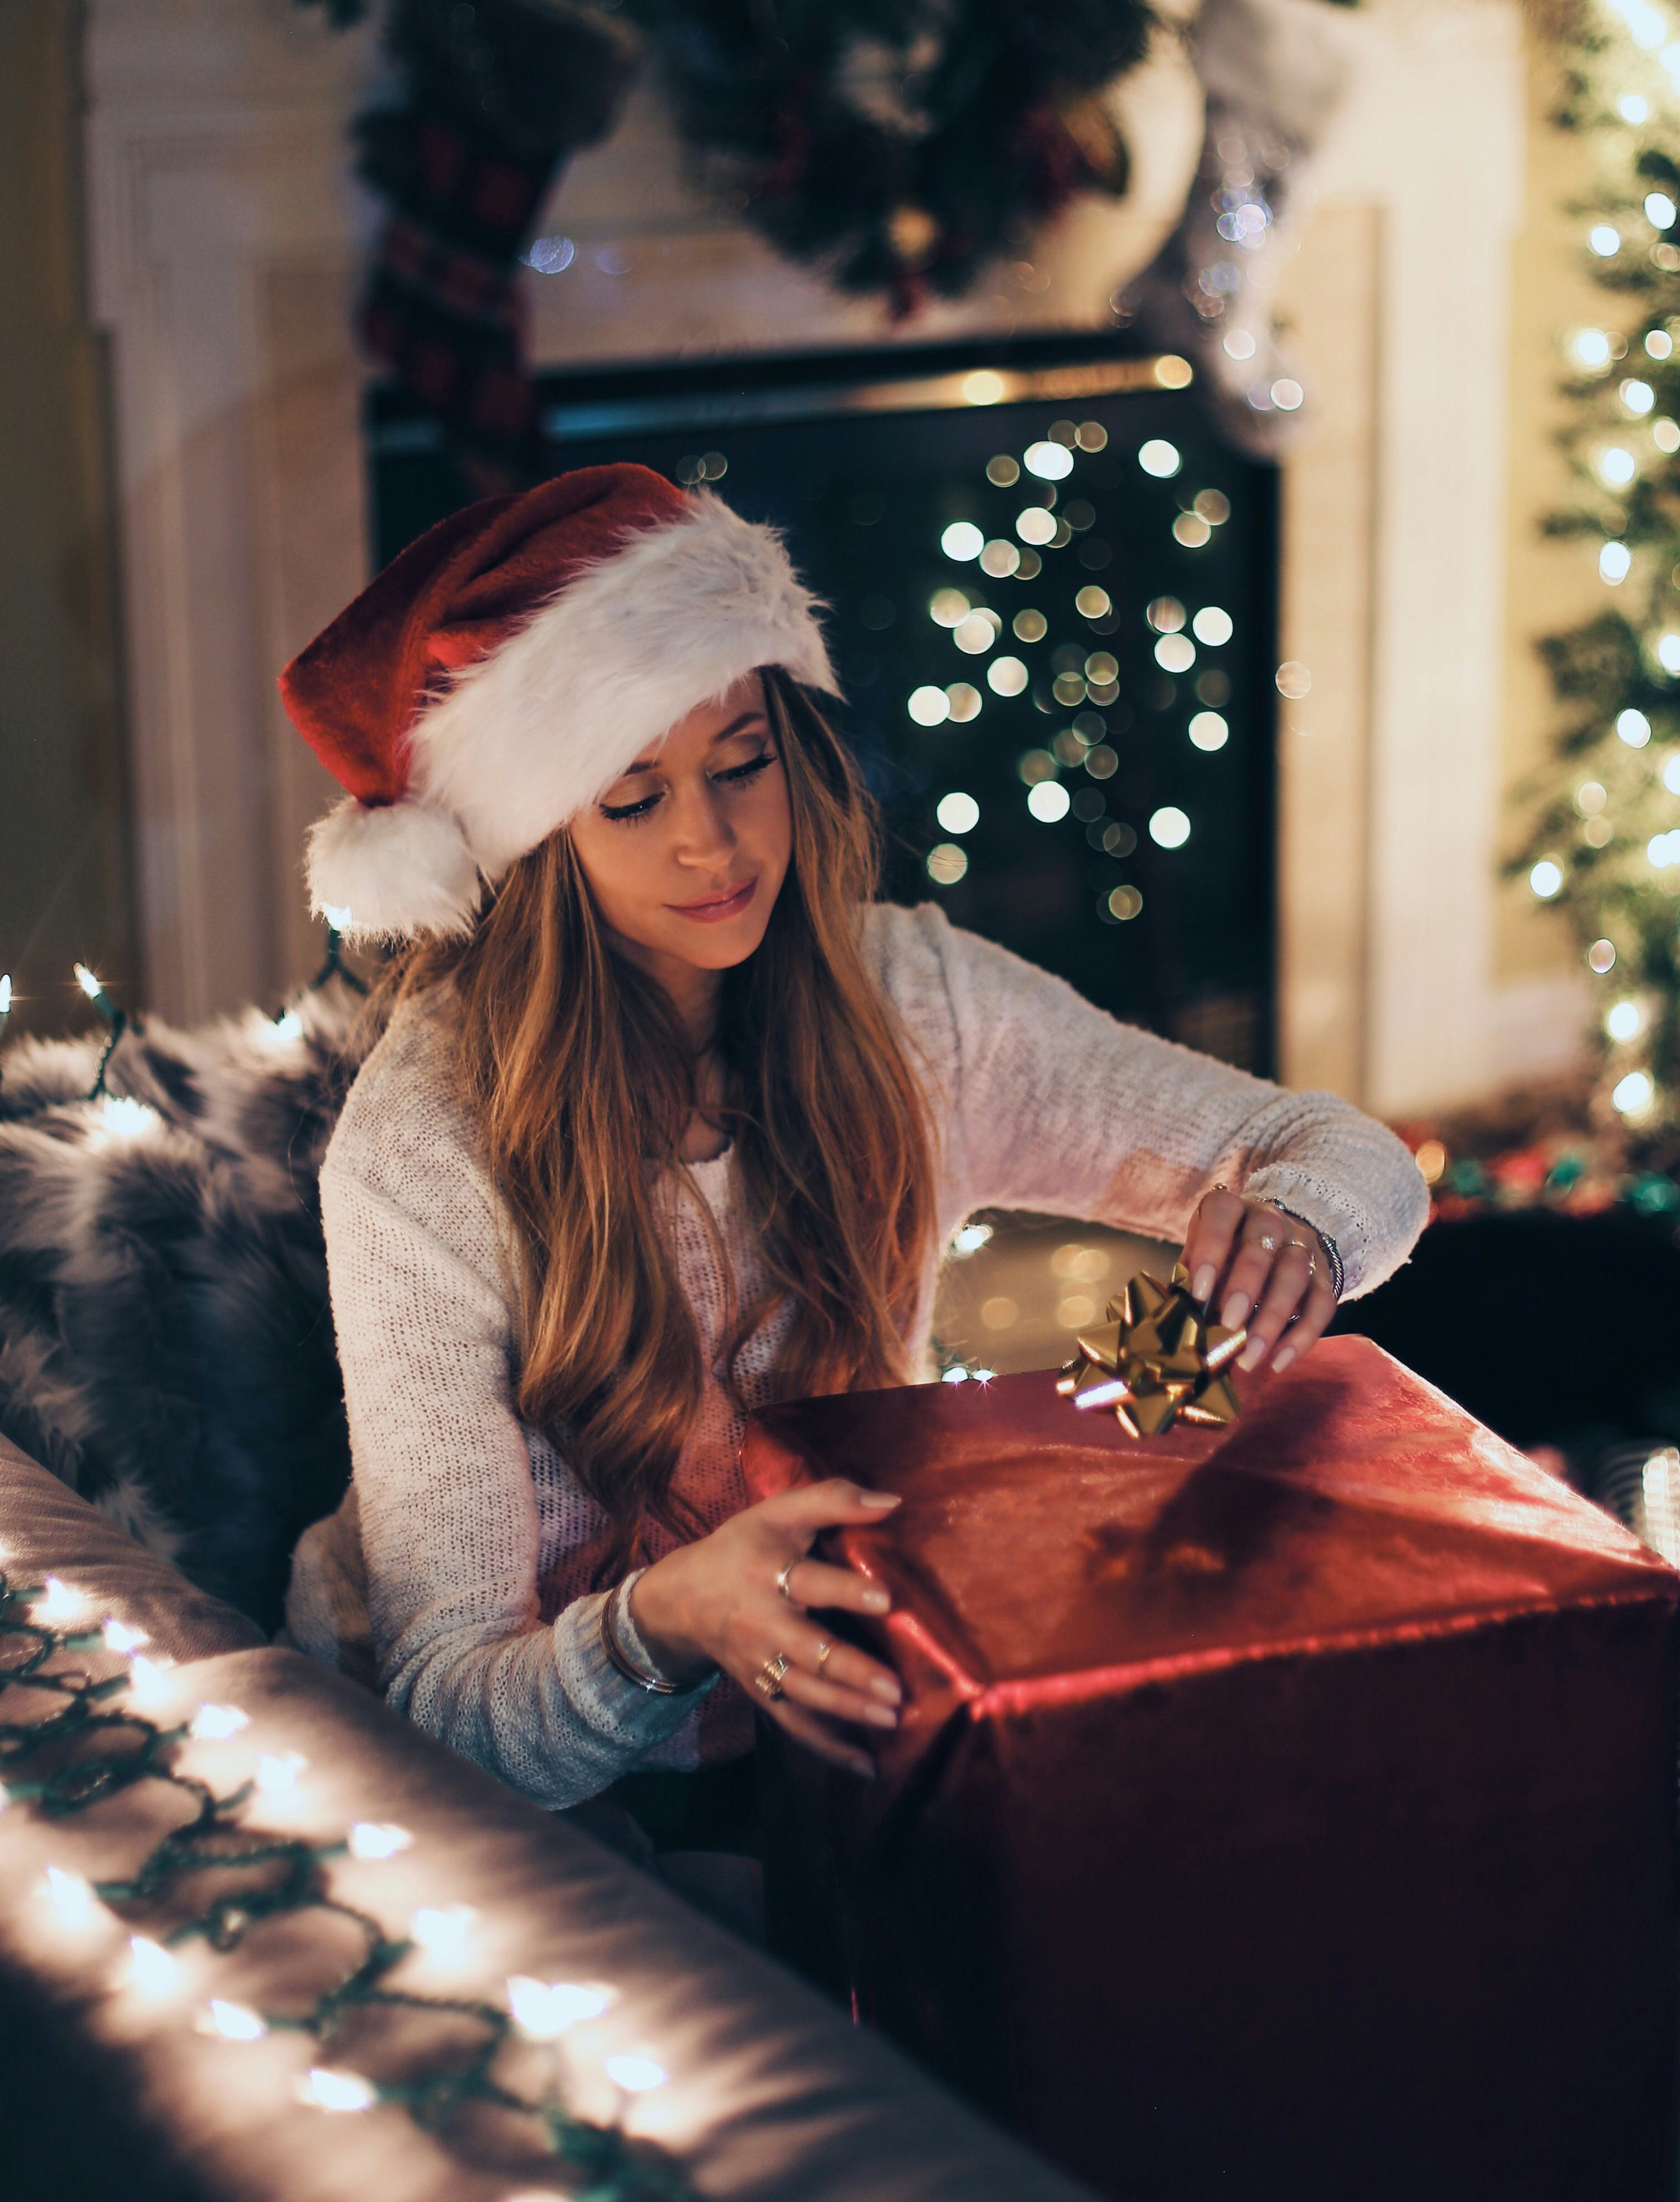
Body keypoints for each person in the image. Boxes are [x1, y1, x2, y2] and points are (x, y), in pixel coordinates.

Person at [281, 465, 1428, 1853]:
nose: (711, 841)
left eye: (741, 761)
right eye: (631, 801)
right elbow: (453, 1715)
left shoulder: (911, 1004)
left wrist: (1298, 1226)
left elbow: (1340, 1153)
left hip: (838, 1694)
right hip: (513, 1789)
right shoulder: (425, 1150)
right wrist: (669, 1623)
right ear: (535, 846)